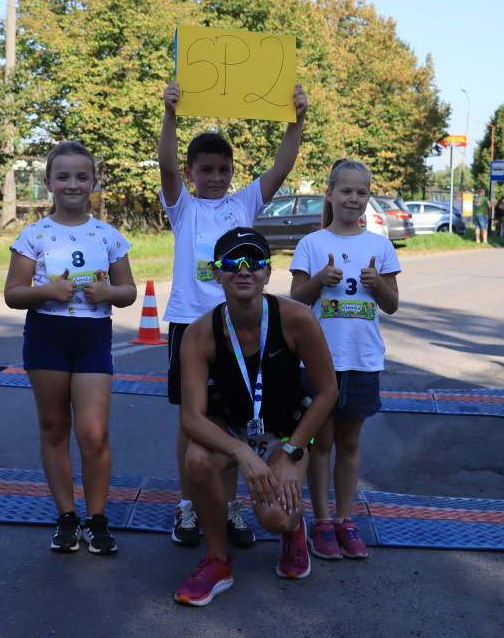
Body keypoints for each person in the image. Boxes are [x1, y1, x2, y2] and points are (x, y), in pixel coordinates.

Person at [158, 78, 308, 549]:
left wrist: (297, 120)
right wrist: (170, 115)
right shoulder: (182, 207)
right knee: (193, 418)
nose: (216, 178)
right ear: (192, 171)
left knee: (236, 421)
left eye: (224, 169)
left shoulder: (242, 203)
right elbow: (164, 164)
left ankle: (230, 508)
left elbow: (283, 166)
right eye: (206, 170)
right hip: (190, 325)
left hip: (240, 327)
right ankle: (187, 506)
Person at [174, 228, 337, 606]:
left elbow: (328, 392)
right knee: (196, 459)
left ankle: (294, 531)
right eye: (232, 262)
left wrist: (292, 449)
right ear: (217, 273)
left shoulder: (297, 319)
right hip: (231, 428)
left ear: (268, 272)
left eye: (255, 263)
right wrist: (242, 454)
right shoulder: (199, 334)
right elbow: (191, 418)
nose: (243, 270)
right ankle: (217, 559)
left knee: (275, 519)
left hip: (285, 434)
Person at [4, 141, 138, 555]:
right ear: (48, 183)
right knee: (55, 428)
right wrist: (48, 290)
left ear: (95, 183)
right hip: (47, 337)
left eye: (82, 177)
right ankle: (67, 518)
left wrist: (109, 291)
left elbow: (130, 291)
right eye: (63, 177)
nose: (73, 184)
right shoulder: (34, 234)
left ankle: (97, 519)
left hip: (92, 338)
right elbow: (13, 294)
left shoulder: (108, 235)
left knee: (94, 435)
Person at [288, 159, 400, 562]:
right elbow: (294, 302)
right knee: (322, 442)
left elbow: (391, 305)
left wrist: (376, 285)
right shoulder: (312, 244)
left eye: (362, 192)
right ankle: (321, 522)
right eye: (347, 191)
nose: (354, 199)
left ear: (368, 198)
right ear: (330, 194)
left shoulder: (380, 246)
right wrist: (319, 281)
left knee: (350, 442)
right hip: (320, 362)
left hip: (363, 360)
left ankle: (345, 520)